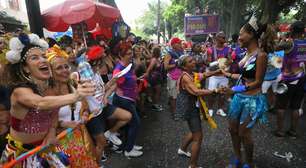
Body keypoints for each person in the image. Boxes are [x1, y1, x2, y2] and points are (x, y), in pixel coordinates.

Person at [0, 33, 95, 166]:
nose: (43, 60)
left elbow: (53, 113)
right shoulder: (19, 92)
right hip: (22, 156)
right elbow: (40, 103)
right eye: (35, 58)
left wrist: (51, 132)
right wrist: (76, 95)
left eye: (44, 56)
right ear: (26, 68)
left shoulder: (50, 90)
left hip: (45, 149)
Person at [222, 16, 275, 168]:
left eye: (241, 33)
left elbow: (257, 82)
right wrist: (227, 74)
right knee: (232, 129)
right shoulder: (245, 54)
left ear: (251, 35)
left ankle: (249, 163)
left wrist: (233, 89)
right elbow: (244, 76)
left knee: (244, 133)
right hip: (239, 98)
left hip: (252, 100)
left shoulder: (261, 55)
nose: (239, 37)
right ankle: (237, 158)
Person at [47, 45, 98, 167]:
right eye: (59, 68)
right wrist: (63, 124)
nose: (65, 70)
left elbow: (84, 105)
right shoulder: (47, 93)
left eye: (66, 66)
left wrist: (85, 114)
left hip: (80, 137)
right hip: (60, 142)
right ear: (50, 71)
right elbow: (43, 122)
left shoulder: (74, 84)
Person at [82, 45, 132, 165]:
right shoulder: (84, 75)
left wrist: (108, 89)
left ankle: (110, 133)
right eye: (102, 58)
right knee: (101, 144)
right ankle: (97, 165)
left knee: (127, 116)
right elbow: (82, 96)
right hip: (94, 115)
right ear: (96, 61)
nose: (104, 60)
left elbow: (101, 89)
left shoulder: (97, 73)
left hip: (103, 107)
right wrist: (86, 110)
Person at [176, 55, 220, 168]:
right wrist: (214, 90)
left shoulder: (191, 74)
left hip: (191, 106)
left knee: (194, 130)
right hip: (189, 108)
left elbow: (204, 75)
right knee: (198, 137)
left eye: (193, 60)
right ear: (184, 66)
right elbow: (196, 92)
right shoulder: (186, 77)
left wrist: (216, 72)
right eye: (190, 61)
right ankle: (193, 165)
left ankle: (182, 149)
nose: (194, 61)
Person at [274, 21, 306, 138]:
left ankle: (280, 131)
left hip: (287, 80)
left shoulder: (289, 43)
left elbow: (275, 47)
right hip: (302, 79)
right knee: (296, 106)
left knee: (281, 106)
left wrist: (284, 38)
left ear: (292, 30)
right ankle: (293, 131)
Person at [112, 41, 143, 157]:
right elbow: (115, 85)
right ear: (121, 55)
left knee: (131, 124)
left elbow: (132, 78)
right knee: (135, 123)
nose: (131, 55)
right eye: (128, 54)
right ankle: (128, 150)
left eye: (131, 53)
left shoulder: (128, 66)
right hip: (124, 100)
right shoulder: (118, 69)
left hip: (130, 98)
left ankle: (130, 144)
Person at [207, 31, 232, 117]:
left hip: (224, 75)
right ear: (217, 38)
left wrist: (227, 63)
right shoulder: (210, 49)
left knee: (223, 93)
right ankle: (210, 109)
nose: (225, 39)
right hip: (214, 76)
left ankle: (220, 109)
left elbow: (230, 60)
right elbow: (209, 63)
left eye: (225, 37)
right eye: (223, 37)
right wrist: (217, 64)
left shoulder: (228, 49)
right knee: (212, 93)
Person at [164, 37, 184, 120]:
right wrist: (176, 63)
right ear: (173, 45)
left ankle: (175, 108)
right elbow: (166, 67)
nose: (180, 44)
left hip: (181, 77)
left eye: (180, 43)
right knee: (174, 97)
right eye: (178, 43)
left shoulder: (181, 52)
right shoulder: (169, 53)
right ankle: (174, 113)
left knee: (179, 95)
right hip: (173, 78)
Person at [143, 46, 163, 111]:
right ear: (158, 52)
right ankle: (155, 105)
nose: (160, 52)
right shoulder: (154, 59)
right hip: (155, 78)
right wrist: (146, 74)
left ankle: (155, 104)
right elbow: (149, 68)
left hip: (156, 77)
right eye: (160, 51)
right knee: (157, 92)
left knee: (156, 92)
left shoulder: (156, 59)